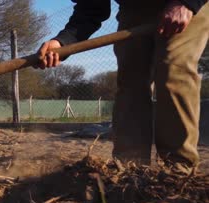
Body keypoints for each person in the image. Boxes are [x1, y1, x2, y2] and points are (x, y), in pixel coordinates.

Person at [38, 0, 208, 174]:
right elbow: (90, 9)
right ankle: (130, 165)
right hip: (133, 8)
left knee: (173, 68)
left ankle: (178, 167)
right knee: (131, 79)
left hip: (184, 5)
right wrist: (62, 42)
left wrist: (187, 3)